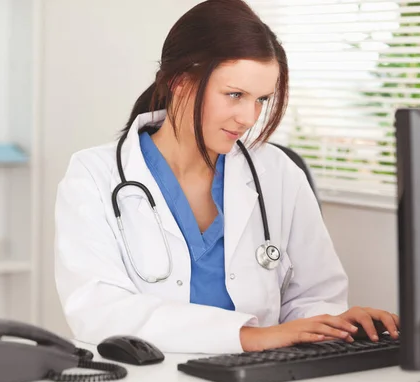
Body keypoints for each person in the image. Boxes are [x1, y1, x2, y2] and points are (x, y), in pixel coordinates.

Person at [54, 0, 399, 354]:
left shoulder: (278, 173)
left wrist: (336, 323)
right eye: (234, 95)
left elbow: (314, 297)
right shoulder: (94, 176)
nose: (248, 118)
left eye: (261, 99)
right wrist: (251, 337)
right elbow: (97, 310)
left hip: (262, 379)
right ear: (179, 81)